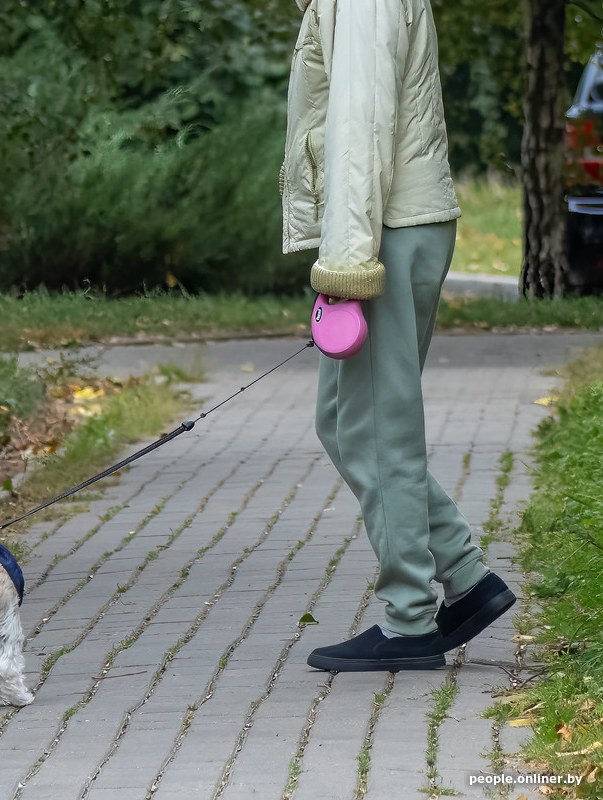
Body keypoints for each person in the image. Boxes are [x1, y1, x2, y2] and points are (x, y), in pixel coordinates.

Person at [280, 0, 516, 671]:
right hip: (388, 223)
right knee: (345, 421)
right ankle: (466, 578)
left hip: (386, 229)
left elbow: (359, 132)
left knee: (381, 427)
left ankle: (410, 620)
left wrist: (348, 268)